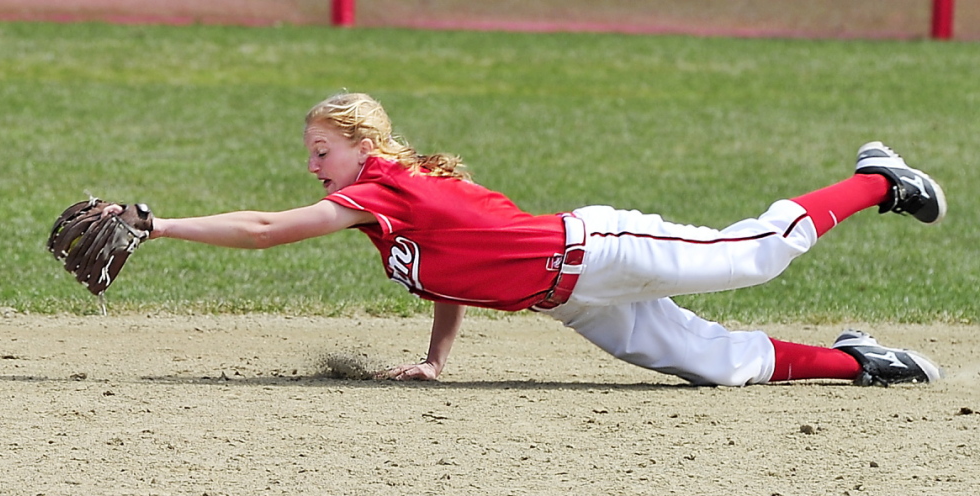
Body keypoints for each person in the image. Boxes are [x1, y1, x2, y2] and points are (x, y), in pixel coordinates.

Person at [138, 92, 946, 386]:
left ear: (362, 144)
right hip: (573, 302)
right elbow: (453, 273)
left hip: (599, 249)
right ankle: (862, 361)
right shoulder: (386, 208)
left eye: (322, 151)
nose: (314, 167)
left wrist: (159, 225)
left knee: (756, 254)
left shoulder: (384, 187)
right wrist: (437, 359)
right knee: (713, 364)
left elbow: (268, 228)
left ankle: (879, 178)